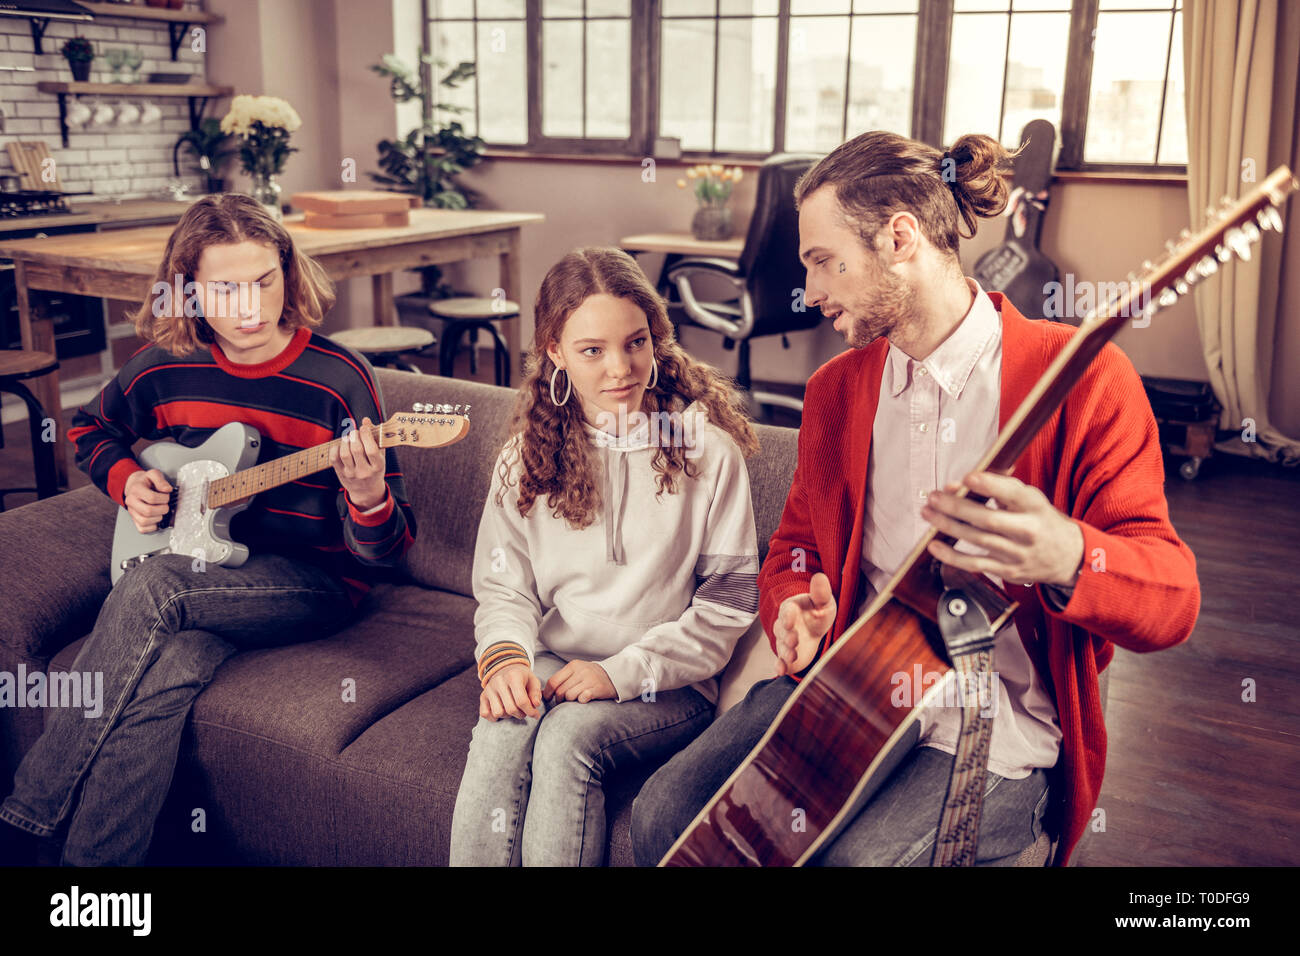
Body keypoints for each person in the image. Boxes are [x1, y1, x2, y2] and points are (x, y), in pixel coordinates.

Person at [631, 130, 1201, 867]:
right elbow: (795, 545)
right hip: (847, 690)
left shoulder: (1081, 378)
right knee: (662, 815)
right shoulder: (835, 392)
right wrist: (792, 608)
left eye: (825, 262)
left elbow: (1174, 601)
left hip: (992, 721)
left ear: (900, 238)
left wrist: (1067, 556)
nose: (813, 292)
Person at [0, 194, 416, 866]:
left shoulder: (341, 380)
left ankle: (28, 816)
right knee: (170, 671)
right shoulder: (166, 366)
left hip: (313, 585)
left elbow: (385, 556)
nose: (249, 308)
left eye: (263, 282)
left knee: (158, 585)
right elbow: (90, 427)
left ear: (289, 275)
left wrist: (368, 498)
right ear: (188, 290)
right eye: (225, 288)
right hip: (204, 568)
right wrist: (127, 481)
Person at [449, 246, 760, 866]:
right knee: (503, 728)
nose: (620, 368)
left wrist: (618, 673)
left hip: (665, 682)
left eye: (636, 342)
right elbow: (505, 588)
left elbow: (728, 608)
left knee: (566, 737)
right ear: (556, 354)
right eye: (592, 350)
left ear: (657, 340)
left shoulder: (708, 453)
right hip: (553, 658)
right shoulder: (524, 459)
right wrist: (507, 658)